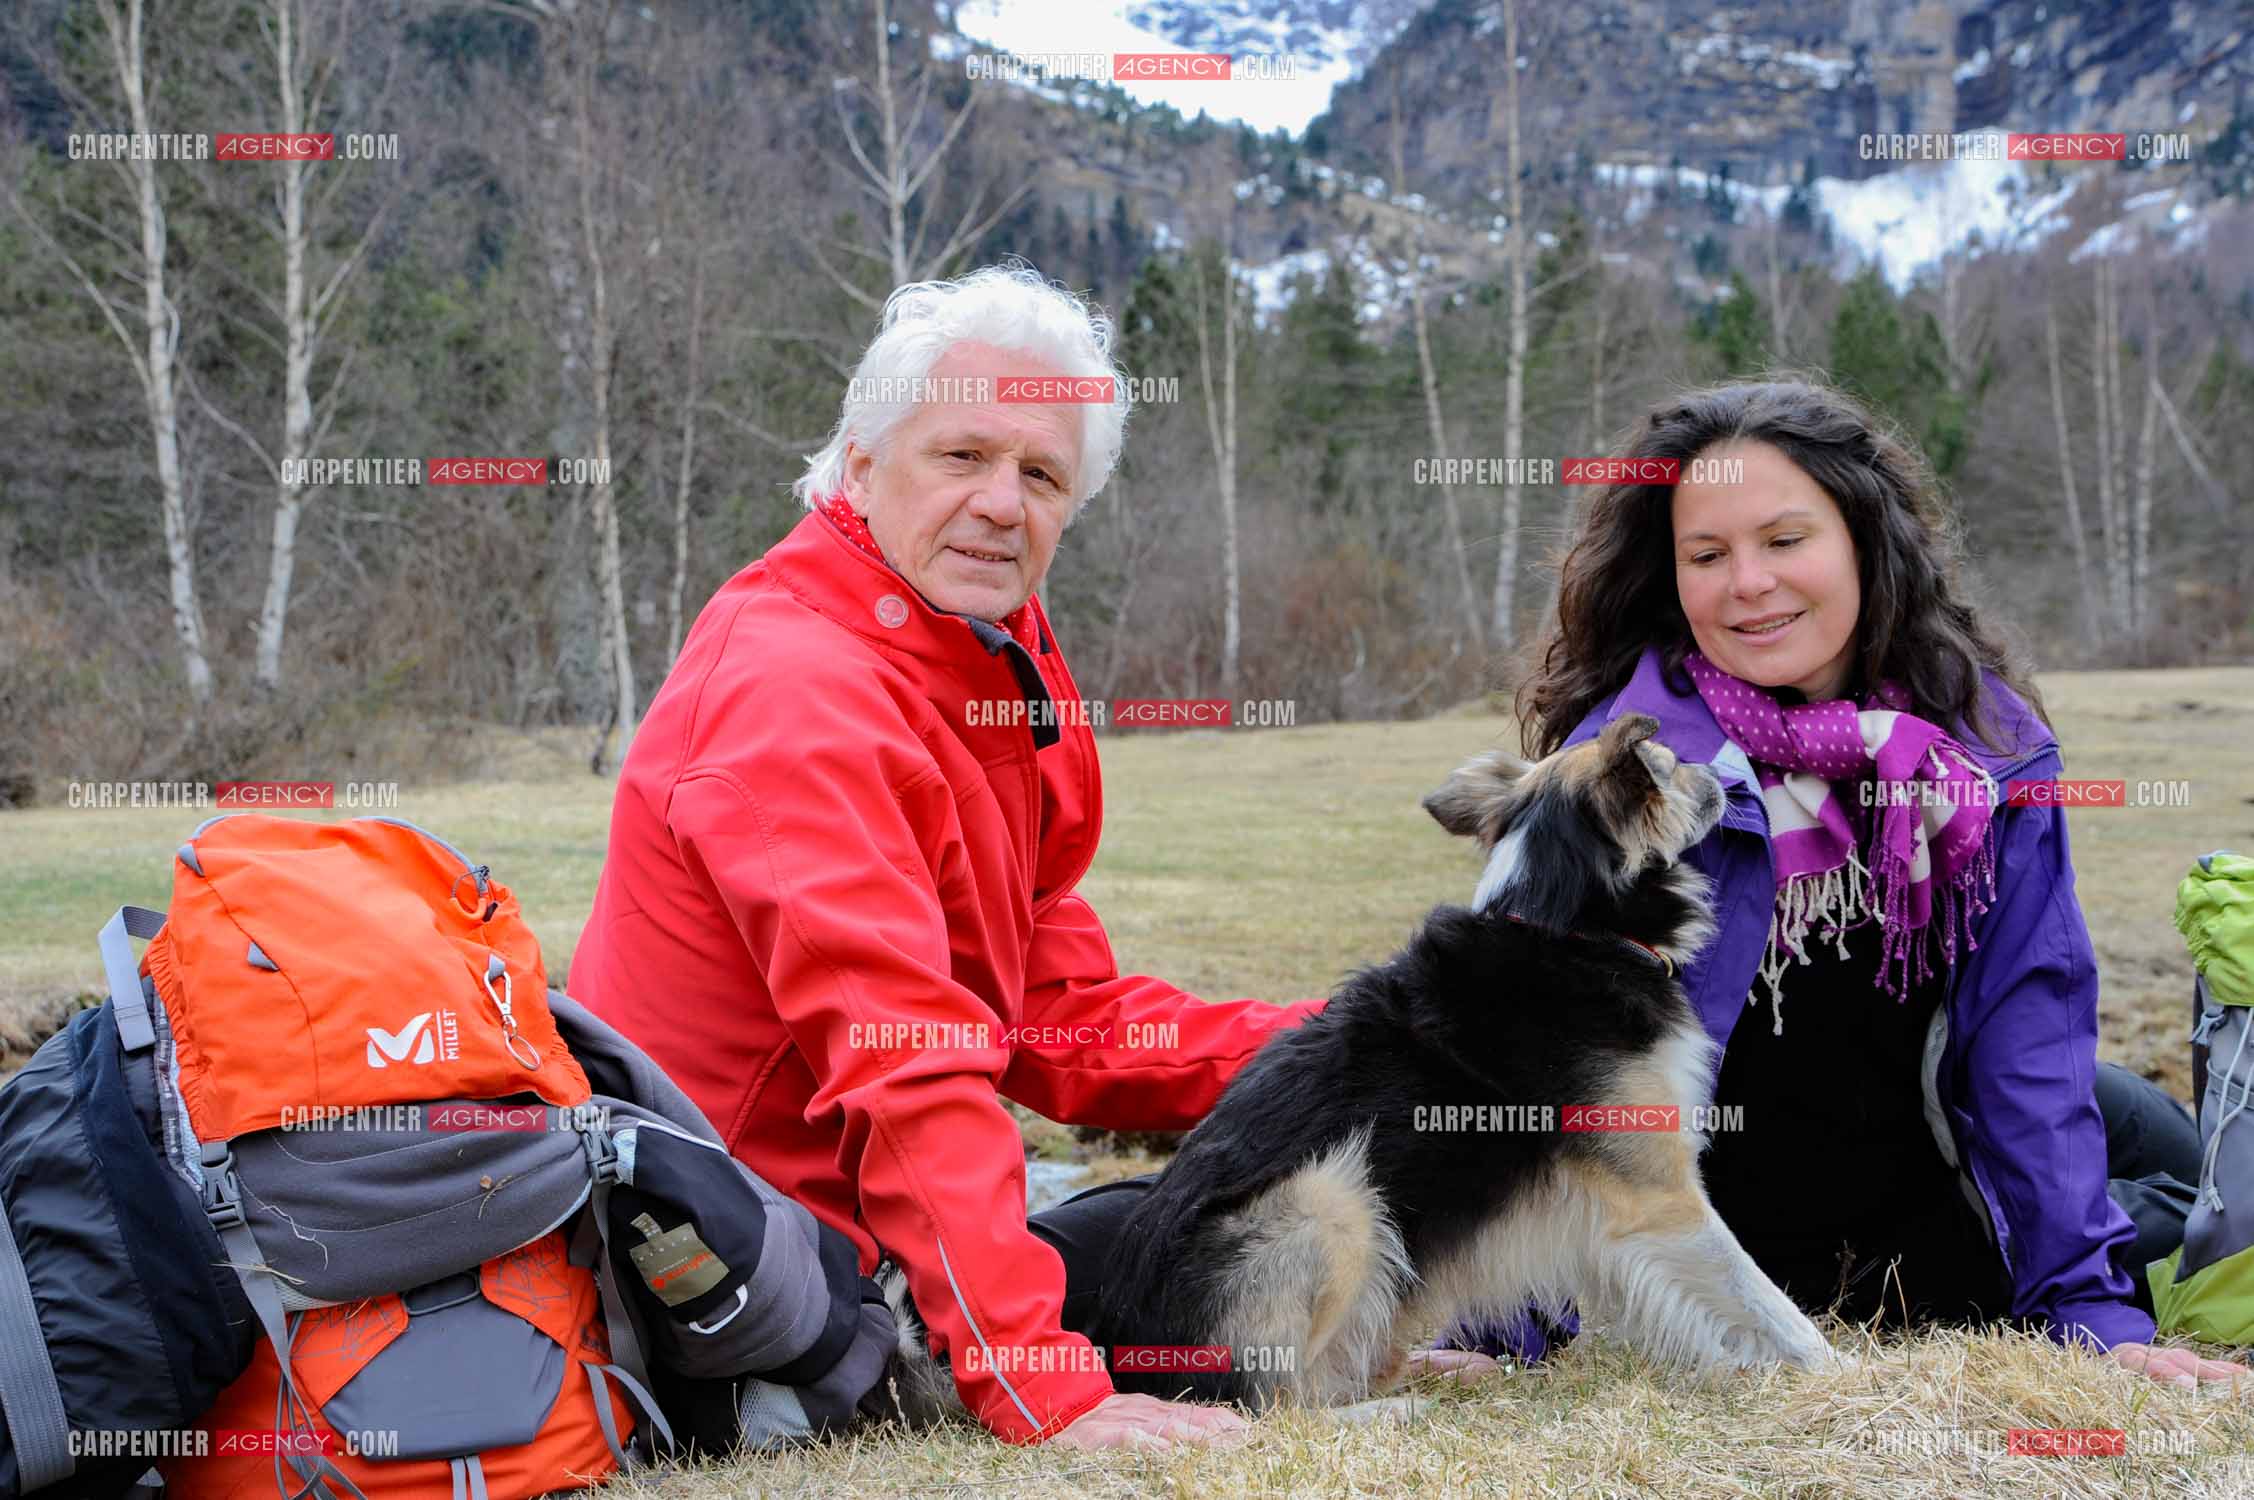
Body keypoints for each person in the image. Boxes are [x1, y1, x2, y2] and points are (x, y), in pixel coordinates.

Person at [568, 264, 1324, 1449]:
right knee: (1256, 1234)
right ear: (861, 466)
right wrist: (1045, 1391)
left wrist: (1341, 1046)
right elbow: (907, 1069)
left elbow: (1049, 1015)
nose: (1000, 504)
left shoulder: (980, 656)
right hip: (762, 1290)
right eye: (961, 455)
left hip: (862, 1249)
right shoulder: (794, 691)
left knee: (1280, 1192)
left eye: (1041, 476)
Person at [1435, 376, 2244, 1392]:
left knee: (2140, 1139)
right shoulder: (1625, 780)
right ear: (1668, 575)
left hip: (1931, 1212)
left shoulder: (1986, 752)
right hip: (1730, 1257)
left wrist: (2092, 1314)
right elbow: (1534, 1071)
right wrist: (1499, 1329)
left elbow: (2029, 1043)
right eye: (1706, 555)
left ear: (1864, 538)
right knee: (2162, 1177)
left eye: (1785, 540)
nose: (1749, 583)